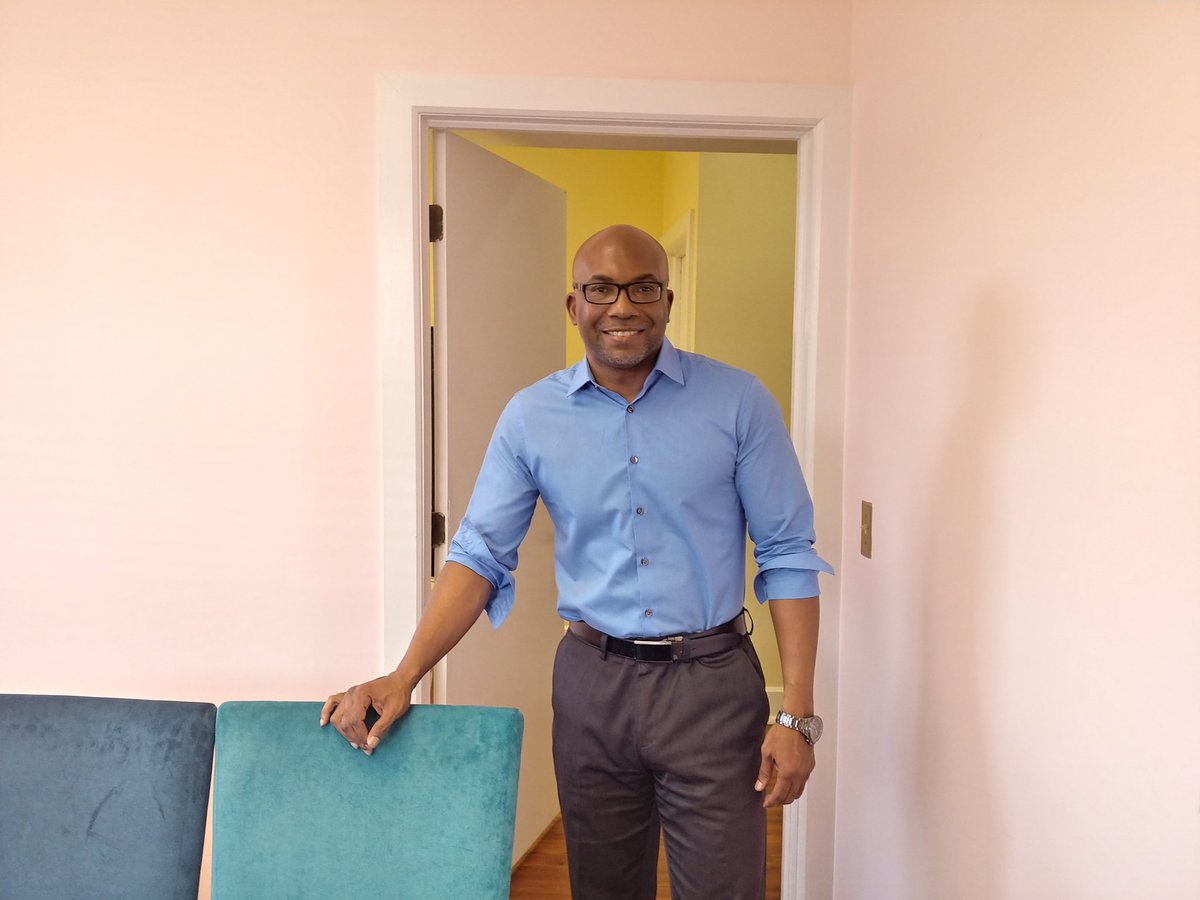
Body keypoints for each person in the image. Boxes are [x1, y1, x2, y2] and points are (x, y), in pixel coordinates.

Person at [321, 224, 832, 899]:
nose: (622, 306)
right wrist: (405, 674)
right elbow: (478, 555)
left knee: (724, 889)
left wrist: (796, 716)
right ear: (574, 305)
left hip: (711, 687)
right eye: (601, 289)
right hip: (593, 686)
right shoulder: (531, 417)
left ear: (667, 299)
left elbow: (788, 553)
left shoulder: (738, 402)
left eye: (642, 288)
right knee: (602, 888)